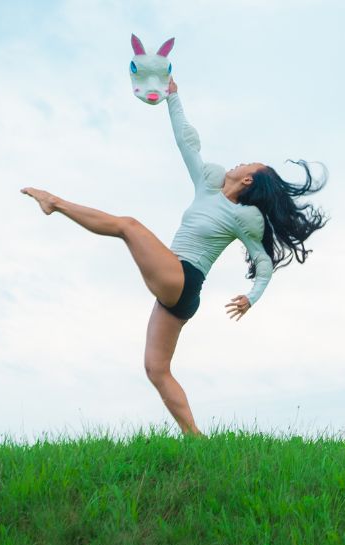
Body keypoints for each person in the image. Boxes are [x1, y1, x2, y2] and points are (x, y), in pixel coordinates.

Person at [19, 78, 328, 436]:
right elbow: (187, 142)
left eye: (249, 164)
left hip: (183, 277)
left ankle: (53, 202)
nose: (241, 162)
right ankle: (196, 440)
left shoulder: (244, 217)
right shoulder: (206, 185)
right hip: (178, 292)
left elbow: (263, 263)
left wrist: (251, 298)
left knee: (128, 226)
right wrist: (173, 96)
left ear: (247, 182)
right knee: (156, 369)